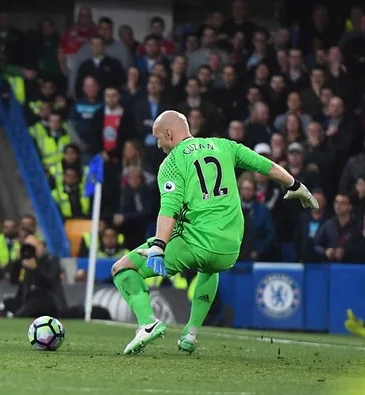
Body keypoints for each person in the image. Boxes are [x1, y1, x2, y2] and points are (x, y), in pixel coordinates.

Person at [111, 110, 319, 355]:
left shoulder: (171, 162)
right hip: (230, 247)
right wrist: (296, 185)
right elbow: (265, 165)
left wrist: (158, 245)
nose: (158, 145)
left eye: (158, 138)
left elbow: (169, 208)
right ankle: (190, 334)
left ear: (168, 133)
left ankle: (147, 323)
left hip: (196, 242)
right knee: (210, 267)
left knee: (122, 269)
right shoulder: (224, 145)